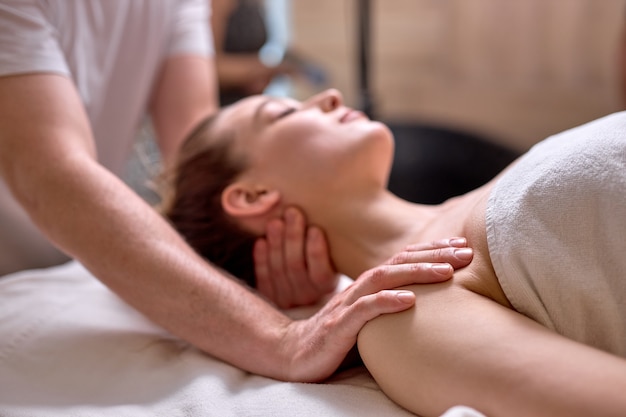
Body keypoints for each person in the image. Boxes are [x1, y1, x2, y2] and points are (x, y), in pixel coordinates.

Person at [0, 1, 471, 383]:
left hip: (75, 261)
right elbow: (51, 175)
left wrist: (258, 261)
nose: (333, 98)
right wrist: (281, 341)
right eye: (282, 112)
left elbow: (201, 157)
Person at [159, 88, 626, 417]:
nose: (332, 96)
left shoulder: (480, 193)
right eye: (285, 111)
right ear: (252, 195)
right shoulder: (401, 310)